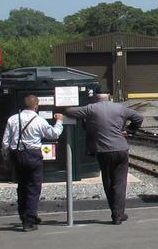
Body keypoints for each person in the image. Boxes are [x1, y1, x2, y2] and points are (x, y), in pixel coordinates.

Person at [61, 95, 144, 224]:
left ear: (96, 98)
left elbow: (69, 112)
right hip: (121, 149)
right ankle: (118, 214)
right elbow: (139, 117)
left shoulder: (91, 108)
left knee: (109, 182)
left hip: (103, 151)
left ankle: (116, 213)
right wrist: (130, 130)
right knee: (120, 183)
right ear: (109, 97)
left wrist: (63, 105)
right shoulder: (120, 108)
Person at [1, 95, 64, 230]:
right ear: (36, 106)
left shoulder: (12, 119)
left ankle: (24, 215)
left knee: (22, 186)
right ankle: (29, 220)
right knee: (33, 188)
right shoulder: (39, 120)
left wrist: (6, 158)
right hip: (33, 155)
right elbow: (53, 134)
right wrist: (59, 122)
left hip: (17, 154)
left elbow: (5, 141)